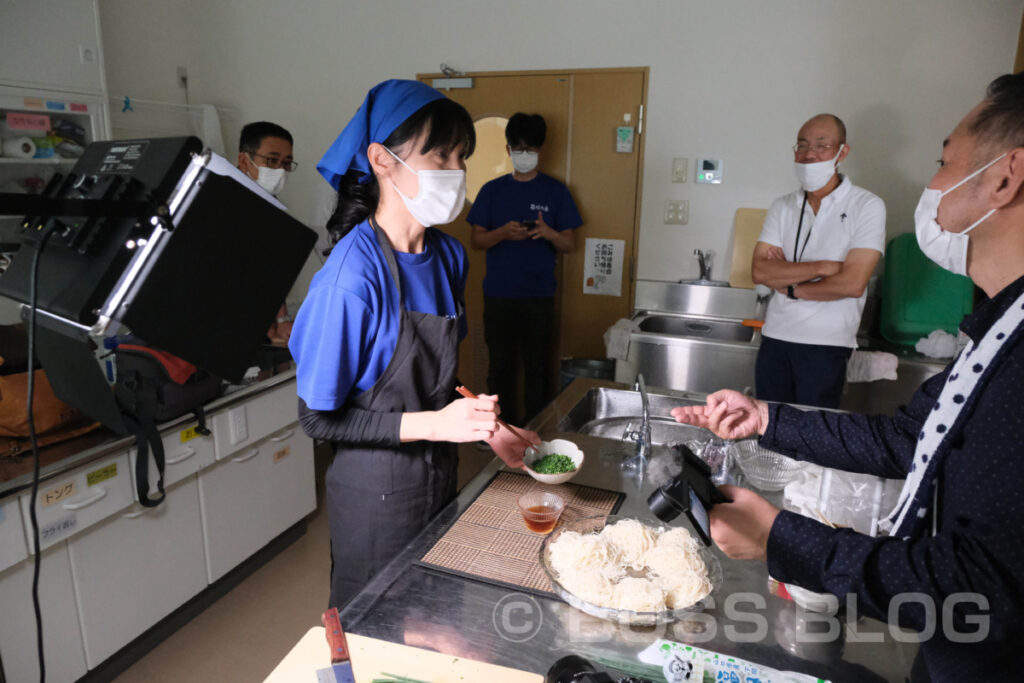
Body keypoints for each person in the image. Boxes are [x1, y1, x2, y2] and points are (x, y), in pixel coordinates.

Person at [673, 73, 1024, 681]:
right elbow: (906, 440)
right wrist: (764, 419)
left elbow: (982, 587)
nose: (933, 187)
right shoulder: (999, 324)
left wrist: (782, 539)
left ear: (1003, 178)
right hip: (950, 651)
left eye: (944, 163)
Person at [288, 80, 538, 608]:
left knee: (432, 614)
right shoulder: (350, 280)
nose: (456, 170)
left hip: (438, 475)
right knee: (378, 627)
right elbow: (316, 419)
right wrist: (436, 425)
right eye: (440, 153)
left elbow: (437, 378)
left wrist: (485, 426)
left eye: (462, 156)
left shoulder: (448, 256)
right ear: (381, 159)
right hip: (373, 492)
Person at [751, 114, 886, 408]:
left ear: (842, 151)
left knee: (812, 437)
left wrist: (789, 286)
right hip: (775, 338)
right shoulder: (783, 205)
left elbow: (852, 283)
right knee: (769, 431)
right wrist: (823, 268)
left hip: (827, 344)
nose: (809, 154)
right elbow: (760, 270)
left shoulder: (867, 205)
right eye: (802, 145)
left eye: (822, 145)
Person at [467, 113, 582, 424]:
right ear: (508, 149)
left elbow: (569, 244)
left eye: (530, 149)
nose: (524, 155)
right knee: (500, 367)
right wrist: (504, 232)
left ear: (540, 150)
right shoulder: (492, 191)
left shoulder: (556, 192)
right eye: (518, 149)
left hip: (539, 296)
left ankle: (537, 429)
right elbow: (477, 240)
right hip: (499, 295)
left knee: (538, 368)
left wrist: (548, 233)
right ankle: (499, 428)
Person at [237, 121, 298, 342]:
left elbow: (271, 270)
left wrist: (281, 319)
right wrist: (281, 320)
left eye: (287, 163)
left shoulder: (271, 208)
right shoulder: (224, 202)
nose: (280, 170)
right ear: (245, 160)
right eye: (272, 160)